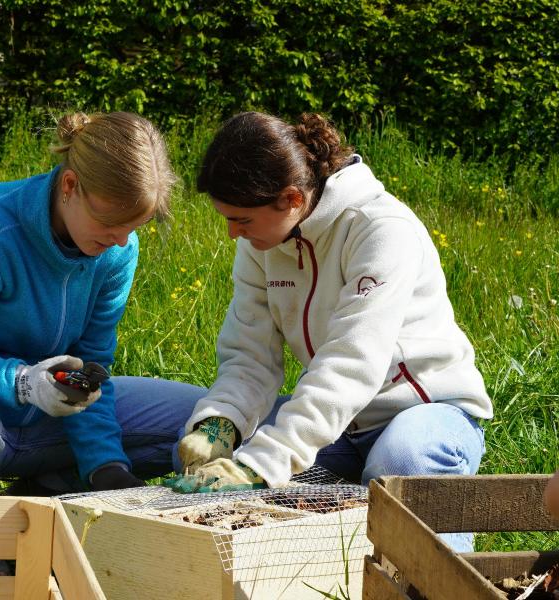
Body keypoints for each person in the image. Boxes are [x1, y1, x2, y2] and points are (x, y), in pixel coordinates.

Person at [167, 111, 493, 551]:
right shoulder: (259, 243)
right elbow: (250, 356)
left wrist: (261, 464)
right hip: (342, 427)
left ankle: (450, 579)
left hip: (429, 415)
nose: (231, 234)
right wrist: (220, 423)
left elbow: (351, 362)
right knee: (202, 460)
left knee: (399, 461)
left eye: (242, 220)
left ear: (292, 199)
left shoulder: (381, 230)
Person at [0, 111, 206, 494]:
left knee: (201, 420)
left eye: (134, 227)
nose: (122, 241)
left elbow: (92, 366)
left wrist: (104, 464)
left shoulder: (115, 249)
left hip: (52, 425)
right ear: (70, 185)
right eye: (110, 222)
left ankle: (52, 487)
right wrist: (22, 383)